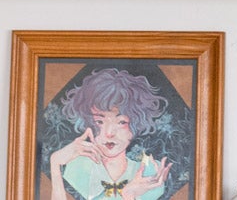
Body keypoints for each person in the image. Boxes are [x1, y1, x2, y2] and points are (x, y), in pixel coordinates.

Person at [44, 67, 175, 200]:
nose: (109, 133)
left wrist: (129, 195)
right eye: (99, 121)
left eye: (121, 122)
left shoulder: (150, 174)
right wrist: (55, 163)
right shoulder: (75, 170)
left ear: (137, 124)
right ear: (88, 123)